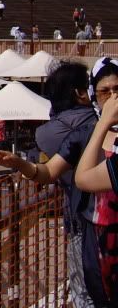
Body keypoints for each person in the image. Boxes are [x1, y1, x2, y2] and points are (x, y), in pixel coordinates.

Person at [0, 62, 100, 308]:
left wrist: (18, 163)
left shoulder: (49, 132)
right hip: (95, 217)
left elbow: (48, 171)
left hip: (82, 219)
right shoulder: (94, 124)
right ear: (81, 93)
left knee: (87, 292)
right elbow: (50, 171)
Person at [74, 57, 118, 305]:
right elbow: (50, 170)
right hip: (99, 232)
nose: (112, 98)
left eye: (117, 90)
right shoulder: (86, 134)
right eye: (105, 91)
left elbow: (83, 178)